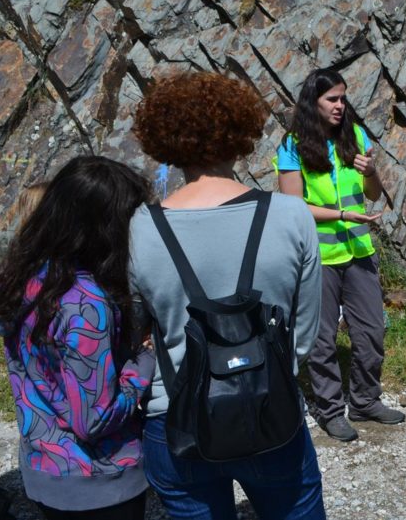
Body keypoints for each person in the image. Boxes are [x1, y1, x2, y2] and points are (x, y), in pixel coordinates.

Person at [129, 71, 326, 519]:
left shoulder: (139, 228)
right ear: (240, 132)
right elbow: (305, 334)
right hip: (271, 410)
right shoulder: (292, 216)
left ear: (162, 138)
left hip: (177, 421)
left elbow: (135, 330)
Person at [0, 156, 155, 520]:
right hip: (99, 482)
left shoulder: (18, 278)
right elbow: (94, 419)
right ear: (104, 226)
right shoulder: (85, 303)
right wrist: (144, 362)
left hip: (43, 467)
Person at [276, 68, 404, 443]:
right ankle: (330, 409)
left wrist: (372, 171)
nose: (340, 105)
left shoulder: (356, 135)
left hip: (359, 251)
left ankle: (365, 401)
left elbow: (374, 194)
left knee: (372, 330)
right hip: (318, 257)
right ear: (312, 103)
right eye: (332, 99)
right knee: (322, 337)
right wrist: (344, 215)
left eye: (343, 98)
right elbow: (292, 206)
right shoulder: (292, 145)